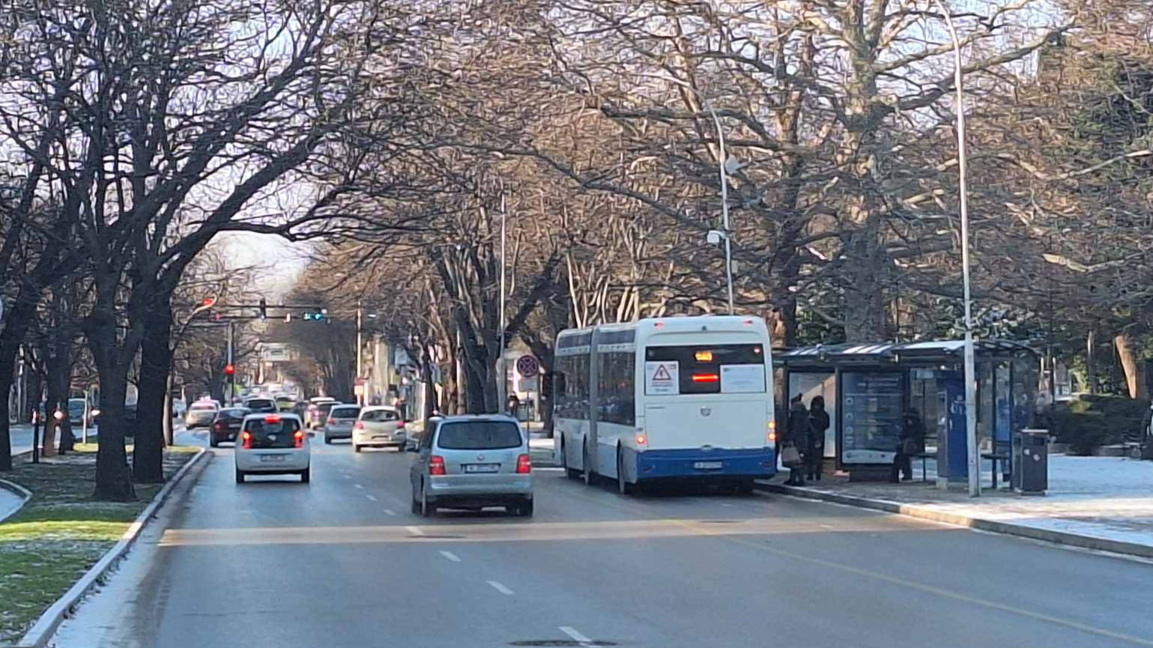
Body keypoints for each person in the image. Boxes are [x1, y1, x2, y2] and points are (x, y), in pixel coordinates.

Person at [891, 408, 926, 482]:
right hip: (906, 448)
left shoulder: (918, 427)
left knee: (900, 457)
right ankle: (903, 475)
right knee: (899, 457)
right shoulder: (908, 426)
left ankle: (902, 475)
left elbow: (918, 437)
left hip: (915, 447)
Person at [784, 394, 810, 486]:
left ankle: (799, 479)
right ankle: (794, 479)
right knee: (796, 459)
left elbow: (794, 428)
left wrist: (790, 438)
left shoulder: (796, 416)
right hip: (801, 440)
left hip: (797, 440)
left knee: (796, 460)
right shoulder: (804, 415)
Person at [807, 396, 829, 481]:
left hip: (816, 437)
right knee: (811, 457)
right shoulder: (823, 414)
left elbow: (826, 425)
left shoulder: (822, 414)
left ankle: (816, 473)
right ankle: (812, 474)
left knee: (817, 457)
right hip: (815, 437)